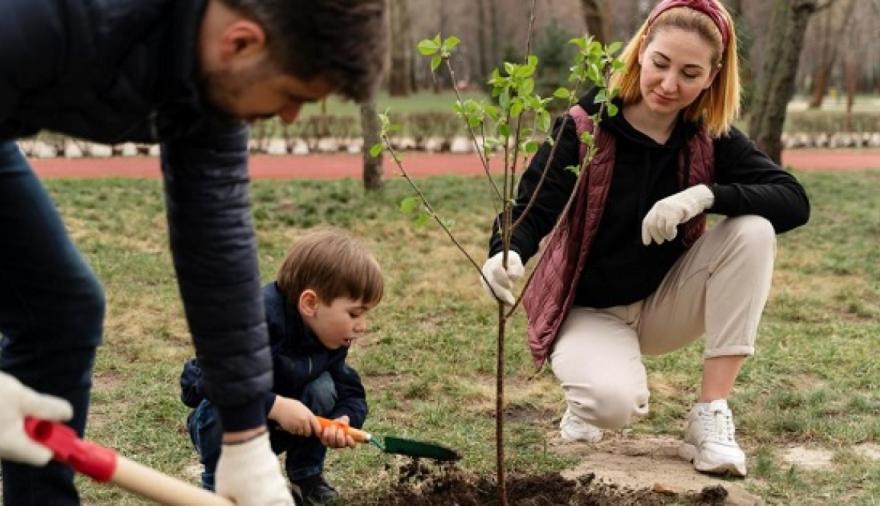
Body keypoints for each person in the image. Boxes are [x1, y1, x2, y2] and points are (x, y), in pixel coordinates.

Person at [0, 1, 386, 505]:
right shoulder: (46, 20)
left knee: (61, 309)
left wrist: (247, 438)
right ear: (241, 42)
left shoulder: (214, 88)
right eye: (293, 95)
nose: (290, 116)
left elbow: (219, 251)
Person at [480, 0, 809, 478]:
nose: (670, 84)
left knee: (754, 230)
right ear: (641, 51)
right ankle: (588, 401)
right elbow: (532, 209)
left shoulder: (708, 135)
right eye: (660, 63)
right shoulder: (585, 125)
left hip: (665, 305)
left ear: (712, 77)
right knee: (613, 406)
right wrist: (504, 251)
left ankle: (709, 414)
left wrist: (704, 195)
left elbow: (794, 201)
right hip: (590, 310)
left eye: (690, 73)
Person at [180, 229, 382, 505]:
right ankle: (219, 486)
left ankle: (306, 477)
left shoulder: (329, 336)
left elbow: (350, 392)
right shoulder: (253, 320)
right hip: (226, 425)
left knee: (323, 388)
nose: (361, 326)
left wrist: (343, 420)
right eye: (354, 314)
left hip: (279, 429)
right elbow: (214, 381)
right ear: (310, 303)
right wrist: (276, 406)